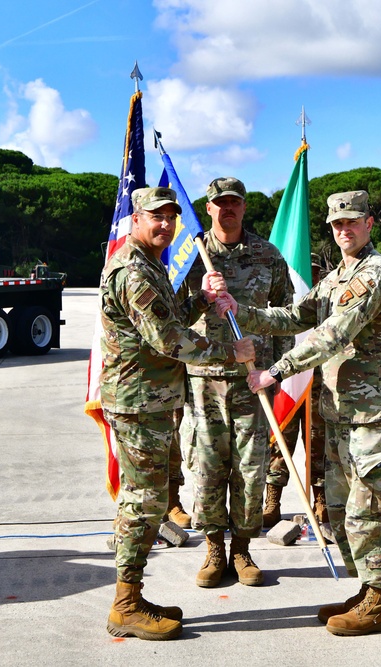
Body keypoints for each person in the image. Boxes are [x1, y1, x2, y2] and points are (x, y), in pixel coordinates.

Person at [220, 190, 381, 637]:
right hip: (343, 415)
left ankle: (380, 601)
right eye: (336, 224)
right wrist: (241, 310)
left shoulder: (376, 274)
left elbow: (331, 334)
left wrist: (277, 370)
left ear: (369, 224)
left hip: (376, 418)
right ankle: (365, 589)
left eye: (352, 222)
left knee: (372, 513)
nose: (344, 230)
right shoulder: (335, 277)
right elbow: (295, 315)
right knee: (343, 512)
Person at [99, 186, 255, 641]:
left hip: (150, 402)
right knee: (143, 504)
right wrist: (231, 349)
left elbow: (171, 319)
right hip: (138, 403)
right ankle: (125, 604)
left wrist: (200, 301)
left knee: (146, 501)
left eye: (170, 216)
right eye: (156, 216)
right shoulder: (134, 271)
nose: (165, 224)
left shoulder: (150, 265)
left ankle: (133, 595)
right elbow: (170, 341)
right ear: (136, 219)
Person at [180, 176, 294, 588]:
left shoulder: (267, 255)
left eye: (234, 202)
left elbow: (285, 316)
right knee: (207, 466)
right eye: (219, 203)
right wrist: (199, 294)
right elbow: (171, 313)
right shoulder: (191, 256)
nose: (227, 209)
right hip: (204, 380)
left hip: (253, 380)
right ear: (208, 208)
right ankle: (213, 548)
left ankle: (242, 549)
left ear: (244, 207)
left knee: (250, 469)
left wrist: (276, 370)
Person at [263, 261, 330, 529]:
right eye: (307, 269)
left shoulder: (330, 301)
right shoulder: (282, 301)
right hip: (288, 382)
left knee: (319, 444)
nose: (311, 275)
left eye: (315, 271)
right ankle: (273, 501)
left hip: (319, 383)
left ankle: (321, 499)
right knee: (280, 443)